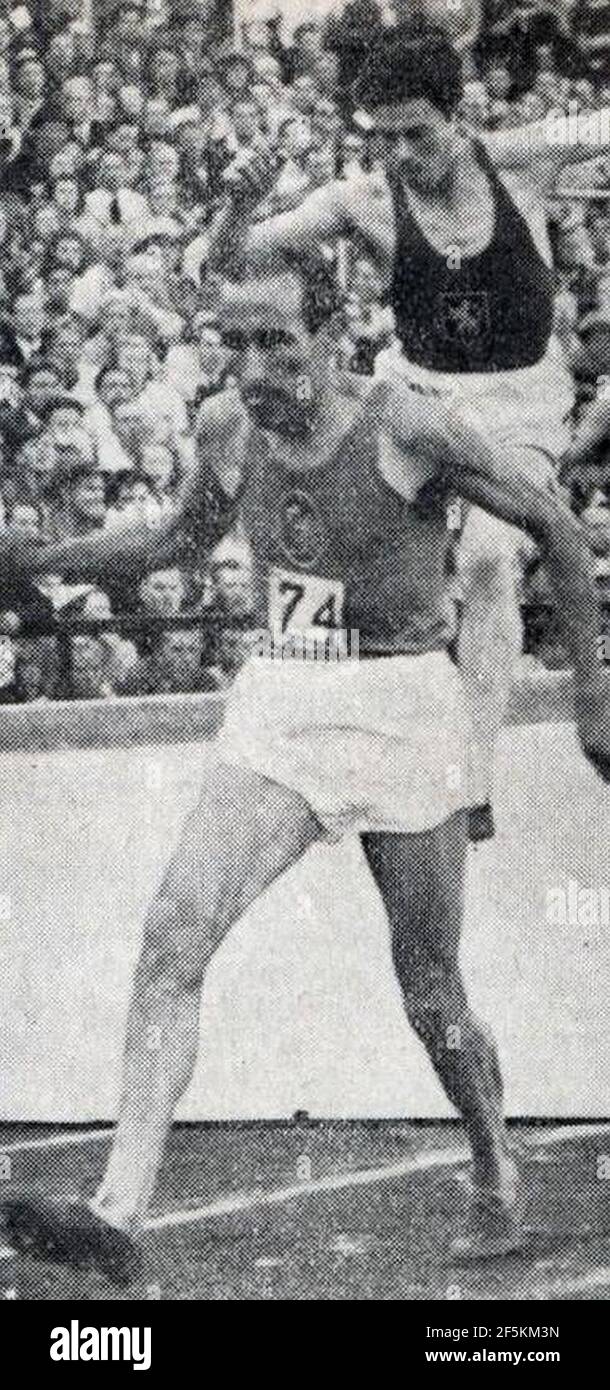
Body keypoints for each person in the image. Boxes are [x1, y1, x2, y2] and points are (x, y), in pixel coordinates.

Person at [2, 255, 610, 1283]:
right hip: (283, 697)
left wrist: (592, 693)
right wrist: (40, 558)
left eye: (275, 339)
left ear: (330, 334)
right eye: (233, 340)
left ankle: (494, 1158)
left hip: (401, 706)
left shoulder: (406, 425)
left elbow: (551, 525)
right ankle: (118, 1206)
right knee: (172, 932)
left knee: (429, 992)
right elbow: (168, 541)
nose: (252, 363)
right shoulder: (225, 429)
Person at [221, 21, 610, 839]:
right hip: (417, 387)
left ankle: (470, 777)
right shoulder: (359, 202)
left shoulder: (526, 157)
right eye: (384, 137)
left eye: (417, 134)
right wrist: (237, 204)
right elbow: (232, 261)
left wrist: (531, 135)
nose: (401, 154)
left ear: (456, 115)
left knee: (489, 559)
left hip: (516, 395)